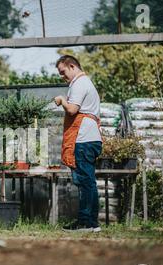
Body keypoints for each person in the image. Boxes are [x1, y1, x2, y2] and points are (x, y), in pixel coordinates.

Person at [54, 55, 102, 232]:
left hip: (83, 138)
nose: (62, 76)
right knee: (87, 181)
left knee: (85, 181)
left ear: (72, 66)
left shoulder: (80, 83)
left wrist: (61, 100)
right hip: (90, 137)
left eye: (63, 72)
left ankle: (87, 222)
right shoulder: (84, 83)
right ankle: (90, 221)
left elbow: (73, 109)